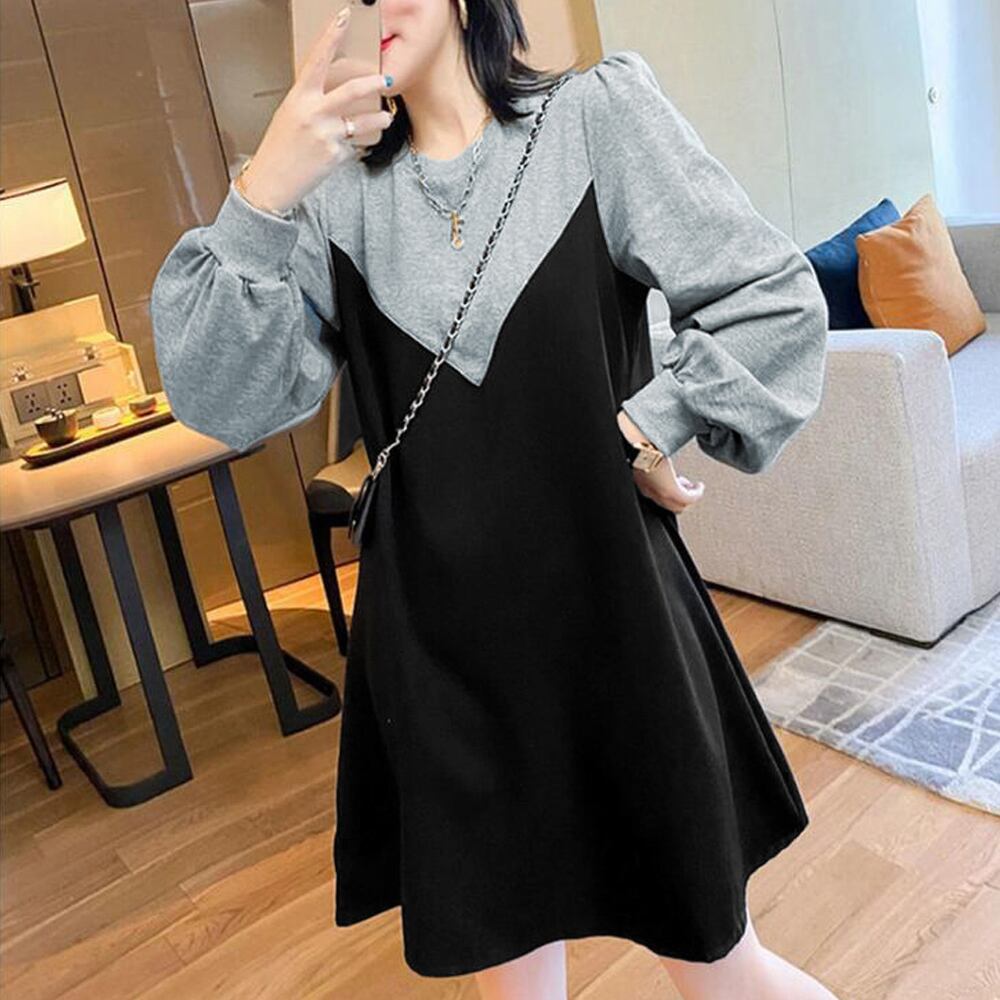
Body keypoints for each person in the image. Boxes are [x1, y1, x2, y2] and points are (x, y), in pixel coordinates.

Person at [150, 2, 838, 997]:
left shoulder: (597, 119)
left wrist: (648, 423)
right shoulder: (327, 200)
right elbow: (222, 399)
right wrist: (263, 192)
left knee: (724, 970)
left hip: (615, 620)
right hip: (441, 657)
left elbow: (771, 299)